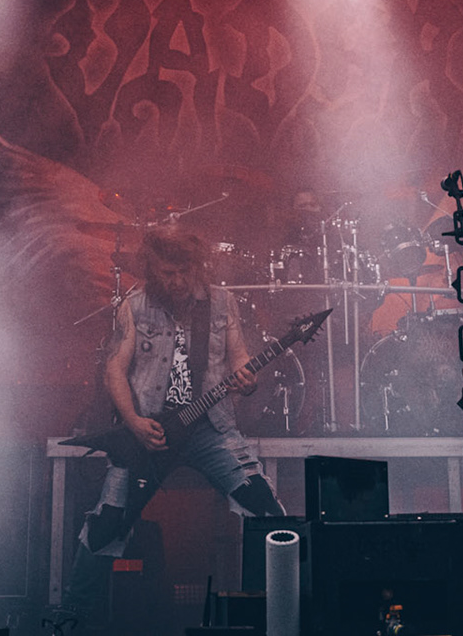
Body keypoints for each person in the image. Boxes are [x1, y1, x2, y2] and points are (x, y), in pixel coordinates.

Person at [53, 229, 285, 632]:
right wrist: (135, 423)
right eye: (167, 273)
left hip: (210, 427)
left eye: (182, 272)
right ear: (154, 271)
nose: (176, 281)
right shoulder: (136, 305)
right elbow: (114, 370)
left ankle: (286, 613)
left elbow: (239, 357)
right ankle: (70, 620)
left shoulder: (222, 302)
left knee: (266, 507)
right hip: (150, 430)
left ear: (196, 267)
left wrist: (246, 379)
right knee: (107, 522)